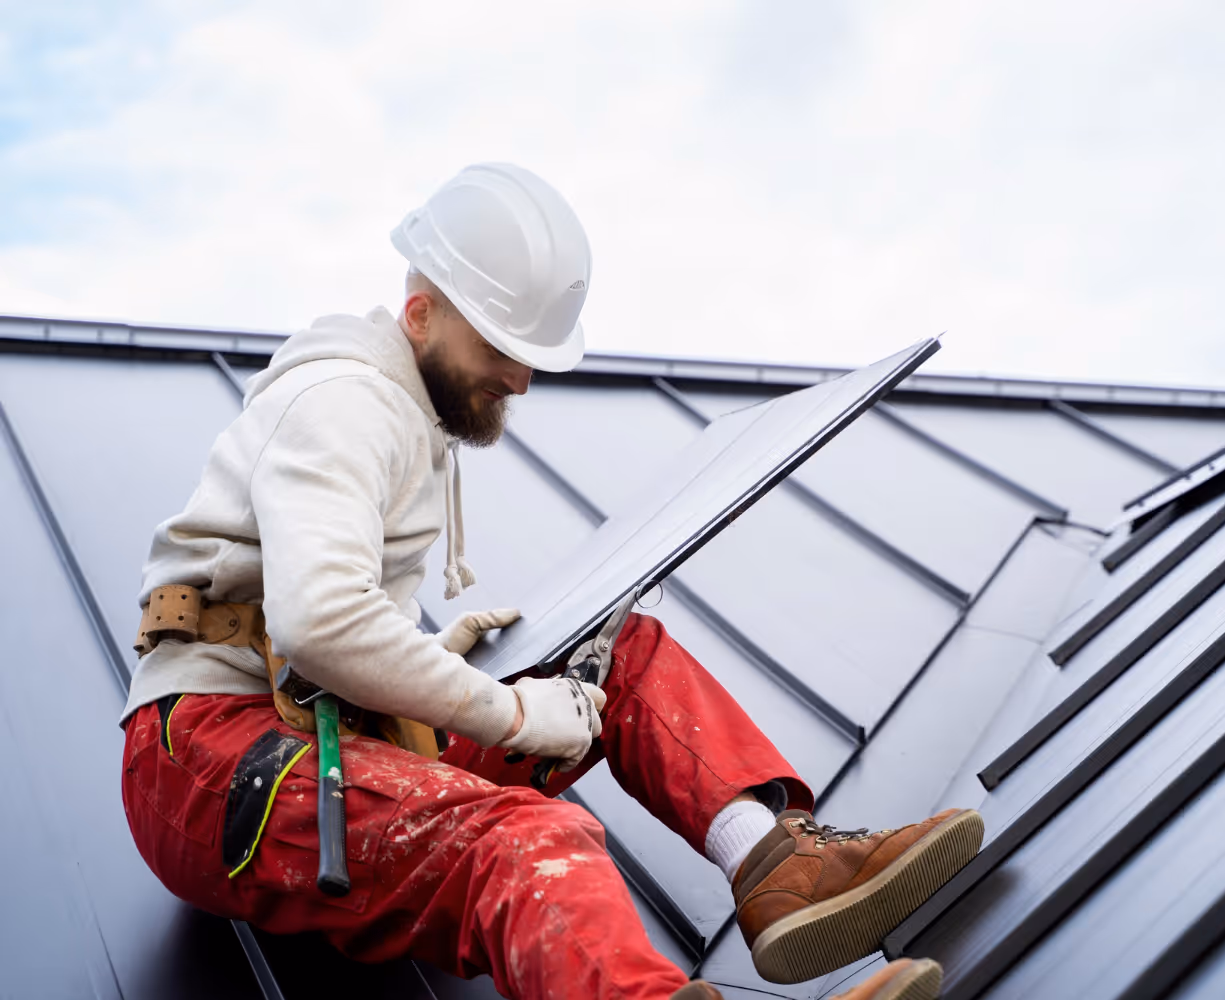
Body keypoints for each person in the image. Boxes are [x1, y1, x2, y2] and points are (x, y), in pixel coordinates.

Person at [120, 163, 982, 1000]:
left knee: (619, 653)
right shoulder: (345, 403)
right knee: (526, 839)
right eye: (502, 346)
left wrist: (429, 662)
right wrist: (504, 708)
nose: (521, 377)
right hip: (211, 762)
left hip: (310, 735)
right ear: (420, 314)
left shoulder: (401, 413)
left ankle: (775, 863)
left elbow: (316, 626)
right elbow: (320, 626)